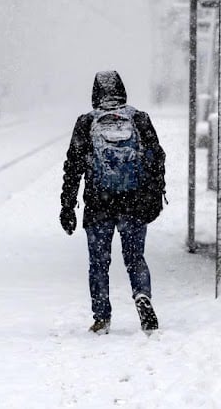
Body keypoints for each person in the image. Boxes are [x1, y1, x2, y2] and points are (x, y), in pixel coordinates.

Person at [60, 70, 166, 335]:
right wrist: (154, 197)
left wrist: (67, 205)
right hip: (133, 203)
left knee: (98, 262)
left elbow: (73, 166)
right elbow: (156, 159)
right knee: (134, 258)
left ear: (96, 94)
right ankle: (142, 295)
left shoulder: (86, 122)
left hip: (98, 205)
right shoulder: (139, 119)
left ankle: (101, 318)